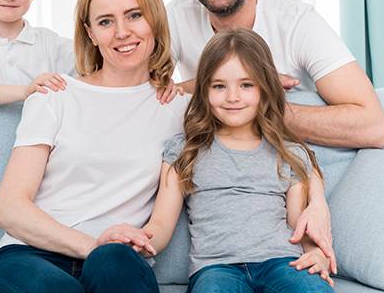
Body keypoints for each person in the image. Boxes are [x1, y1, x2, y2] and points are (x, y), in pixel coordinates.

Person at [0, 0, 189, 293]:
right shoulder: (55, 94)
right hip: (31, 254)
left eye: (134, 15)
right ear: (90, 33)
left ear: (156, 21)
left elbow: (242, 94)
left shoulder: (179, 110)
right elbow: (8, 208)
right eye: (105, 21)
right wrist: (91, 245)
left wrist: (132, 243)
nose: (122, 32)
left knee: (113, 263)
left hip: (117, 261)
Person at [116, 29, 335, 292]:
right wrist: (138, 243)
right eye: (219, 86)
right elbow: (161, 224)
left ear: (265, 89)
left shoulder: (287, 153)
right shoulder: (185, 150)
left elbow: (298, 223)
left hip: (281, 262)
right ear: (205, 91)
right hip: (216, 268)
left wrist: (316, 253)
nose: (233, 97)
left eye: (246, 85)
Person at [167, 0, 384, 150]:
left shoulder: (297, 23)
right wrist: (220, 82)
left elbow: (373, 127)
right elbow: (142, 99)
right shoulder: (177, 17)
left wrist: (257, 105)